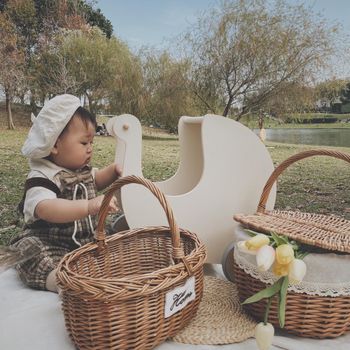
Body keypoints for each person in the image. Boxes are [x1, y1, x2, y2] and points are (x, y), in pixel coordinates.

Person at [10, 94, 122, 293]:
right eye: (83, 143)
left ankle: (91, 272)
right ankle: (58, 281)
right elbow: (45, 208)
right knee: (29, 251)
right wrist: (88, 206)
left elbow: (96, 179)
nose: (90, 149)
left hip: (85, 243)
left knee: (114, 236)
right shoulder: (43, 175)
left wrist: (114, 170)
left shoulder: (80, 170)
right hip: (51, 243)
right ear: (54, 144)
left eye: (92, 143)